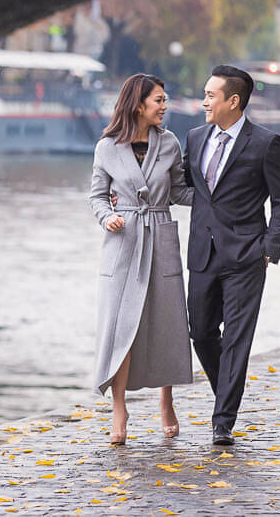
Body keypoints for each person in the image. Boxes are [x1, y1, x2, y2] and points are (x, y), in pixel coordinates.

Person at [182, 64, 280, 446]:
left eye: (210, 95)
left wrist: (269, 250)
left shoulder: (265, 143)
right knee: (200, 333)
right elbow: (186, 186)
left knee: (236, 340)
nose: (203, 102)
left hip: (247, 257)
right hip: (202, 253)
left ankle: (222, 422)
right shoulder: (195, 138)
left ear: (233, 101)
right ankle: (225, 394)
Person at [89, 74, 194, 445]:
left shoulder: (169, 143)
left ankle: (166, 401)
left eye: (164, 100)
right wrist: (108, 217)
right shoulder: (107, 147)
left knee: (166, 323)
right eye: (159, 100)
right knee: (120, 326)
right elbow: (97, 196)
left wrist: (219, 194)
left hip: (161, 233)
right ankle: (120, 407)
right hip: (123, 240)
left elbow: (180, 190)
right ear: (138, 104)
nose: (164, 107)